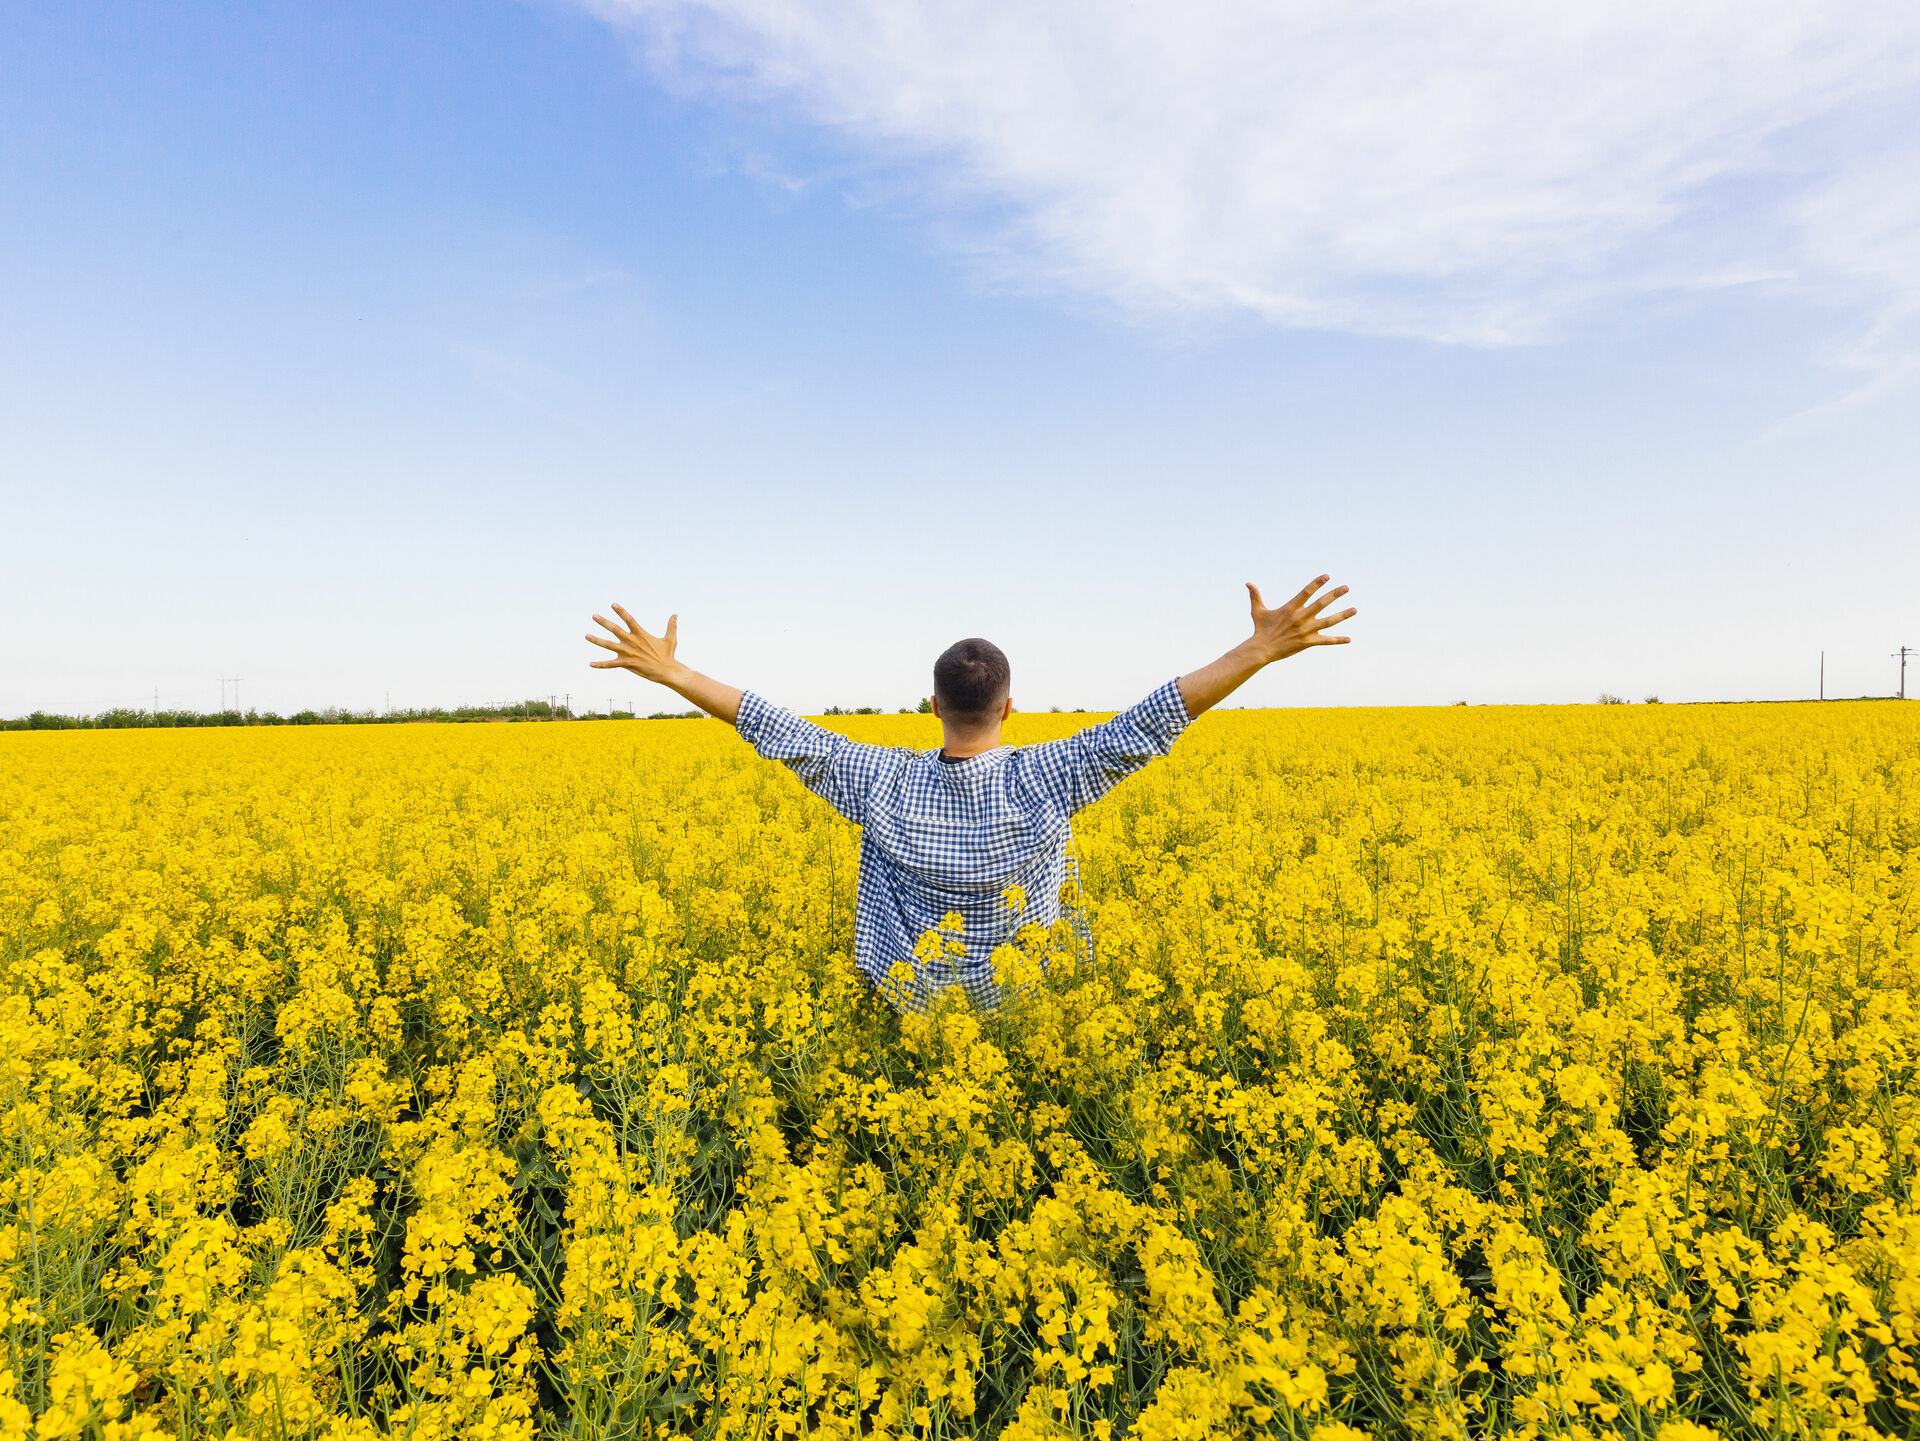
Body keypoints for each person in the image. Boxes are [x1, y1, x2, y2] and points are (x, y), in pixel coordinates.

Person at [587, 576, 1355, 1012]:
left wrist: (674, 673)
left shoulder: (879, 781)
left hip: (914, 1008)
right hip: (1029, 1006)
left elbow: (776, 727)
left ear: (931, 706)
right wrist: (1259, 648)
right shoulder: (1050, 776)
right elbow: (1155, 717)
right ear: (1010, 708)